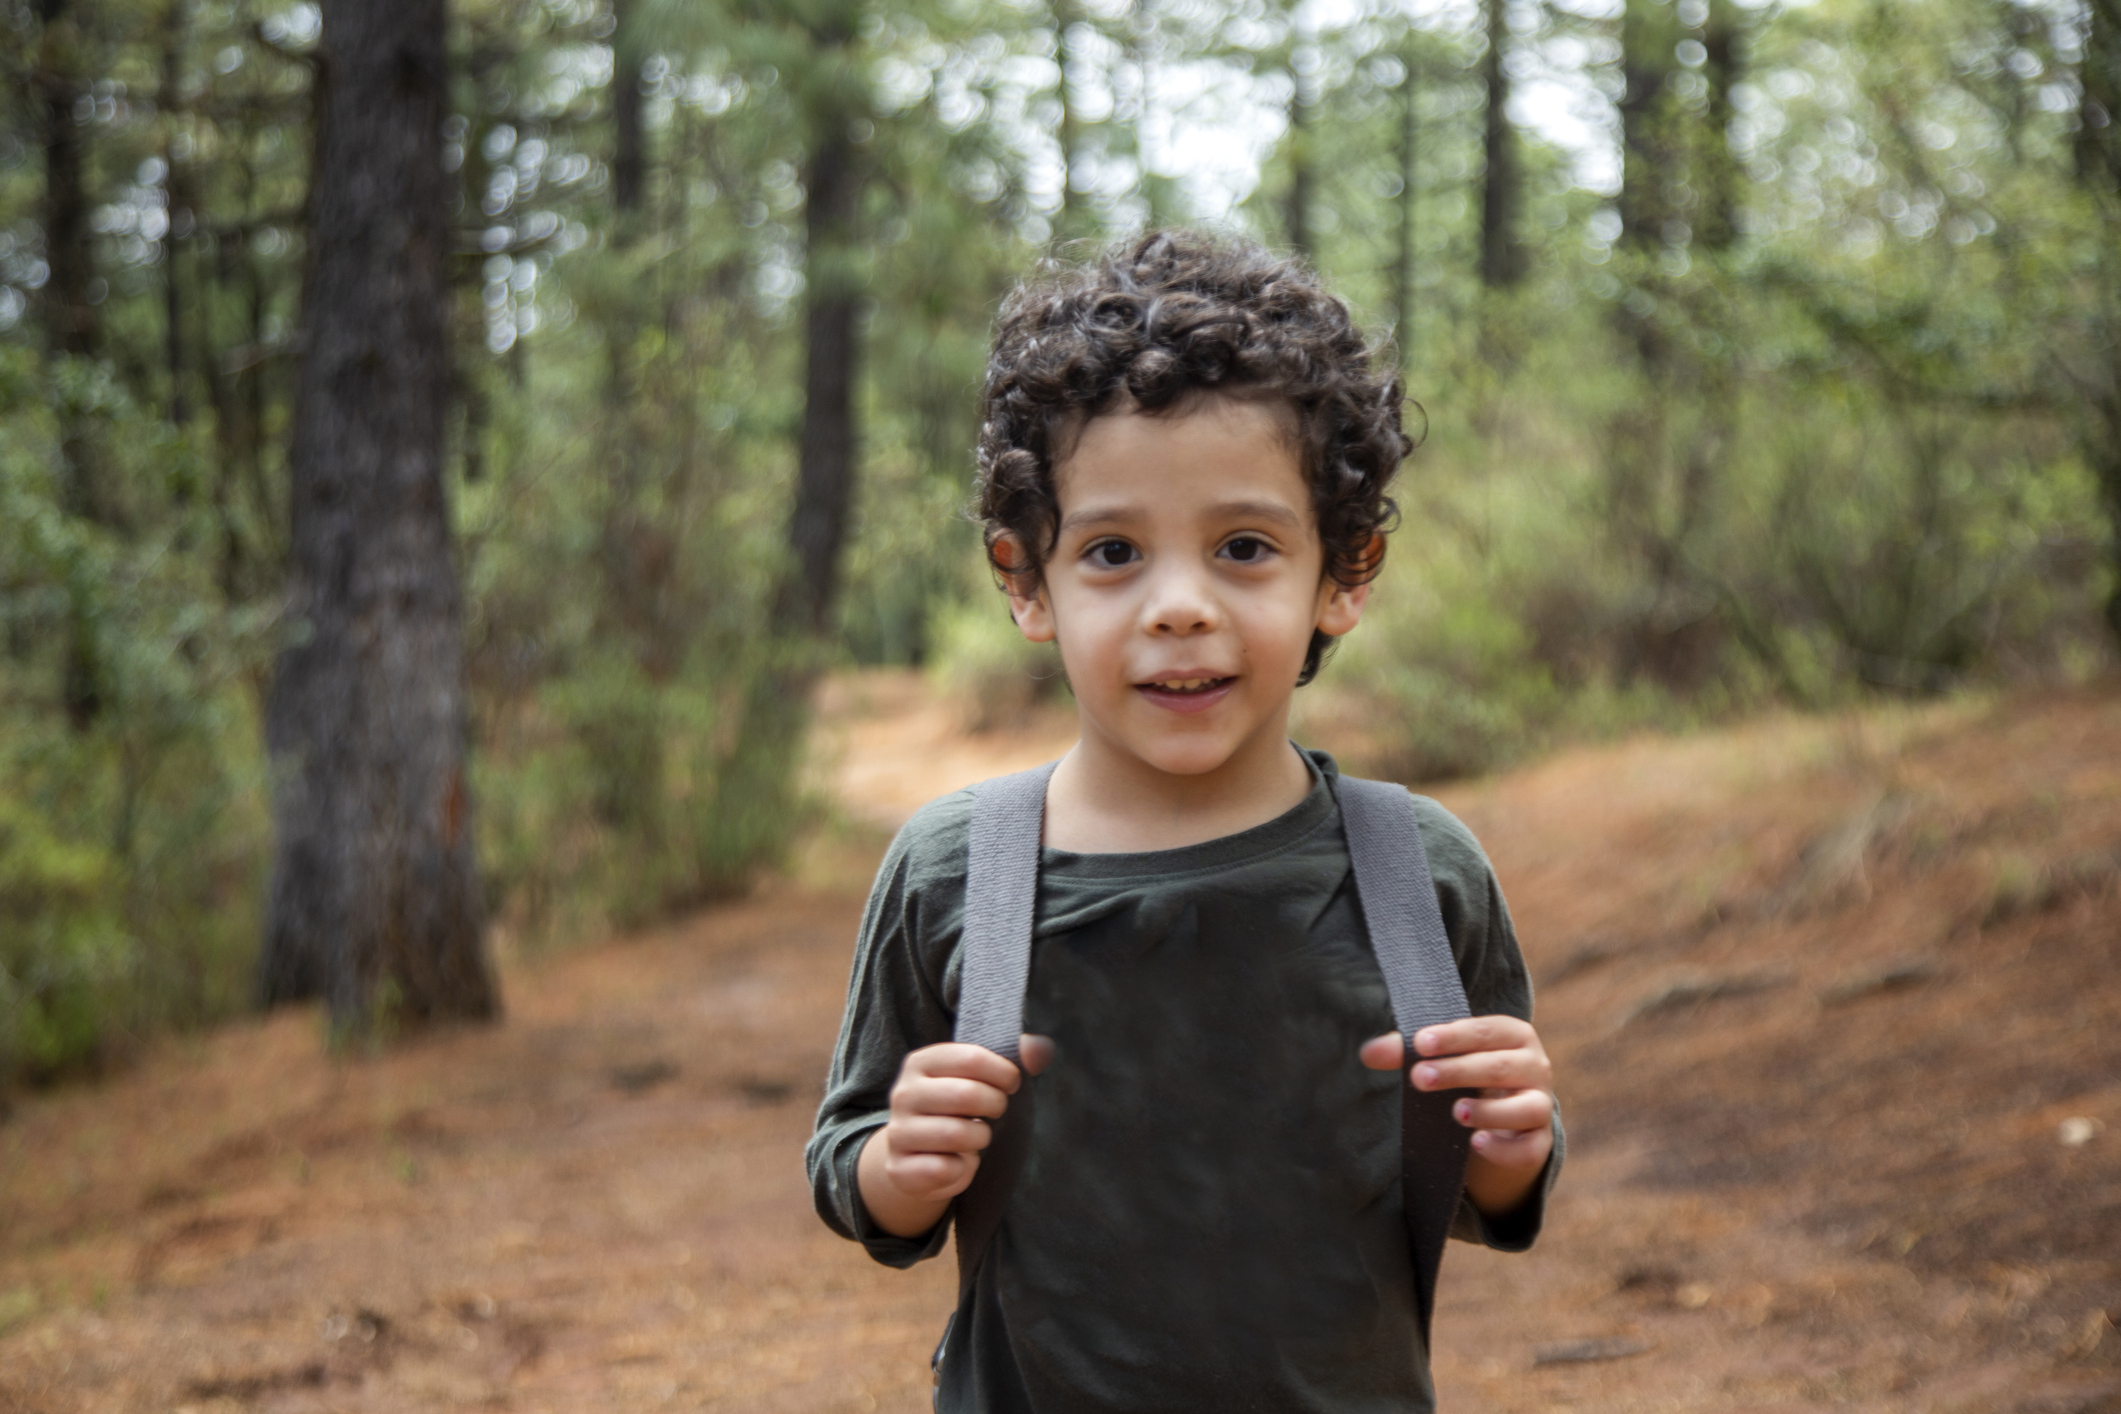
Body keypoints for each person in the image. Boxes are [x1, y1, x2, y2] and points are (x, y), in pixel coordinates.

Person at [806, 229, 1560, 1413]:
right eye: (1112, 551)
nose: (1179, 609)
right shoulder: (957, 873)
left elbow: (1476, 1185)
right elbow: (852, 1163)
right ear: (1024, 579)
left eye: (1244, 547)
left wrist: (1512, 1152)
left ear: (1345, 573)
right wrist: (898, 1167)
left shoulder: (1419, 878)